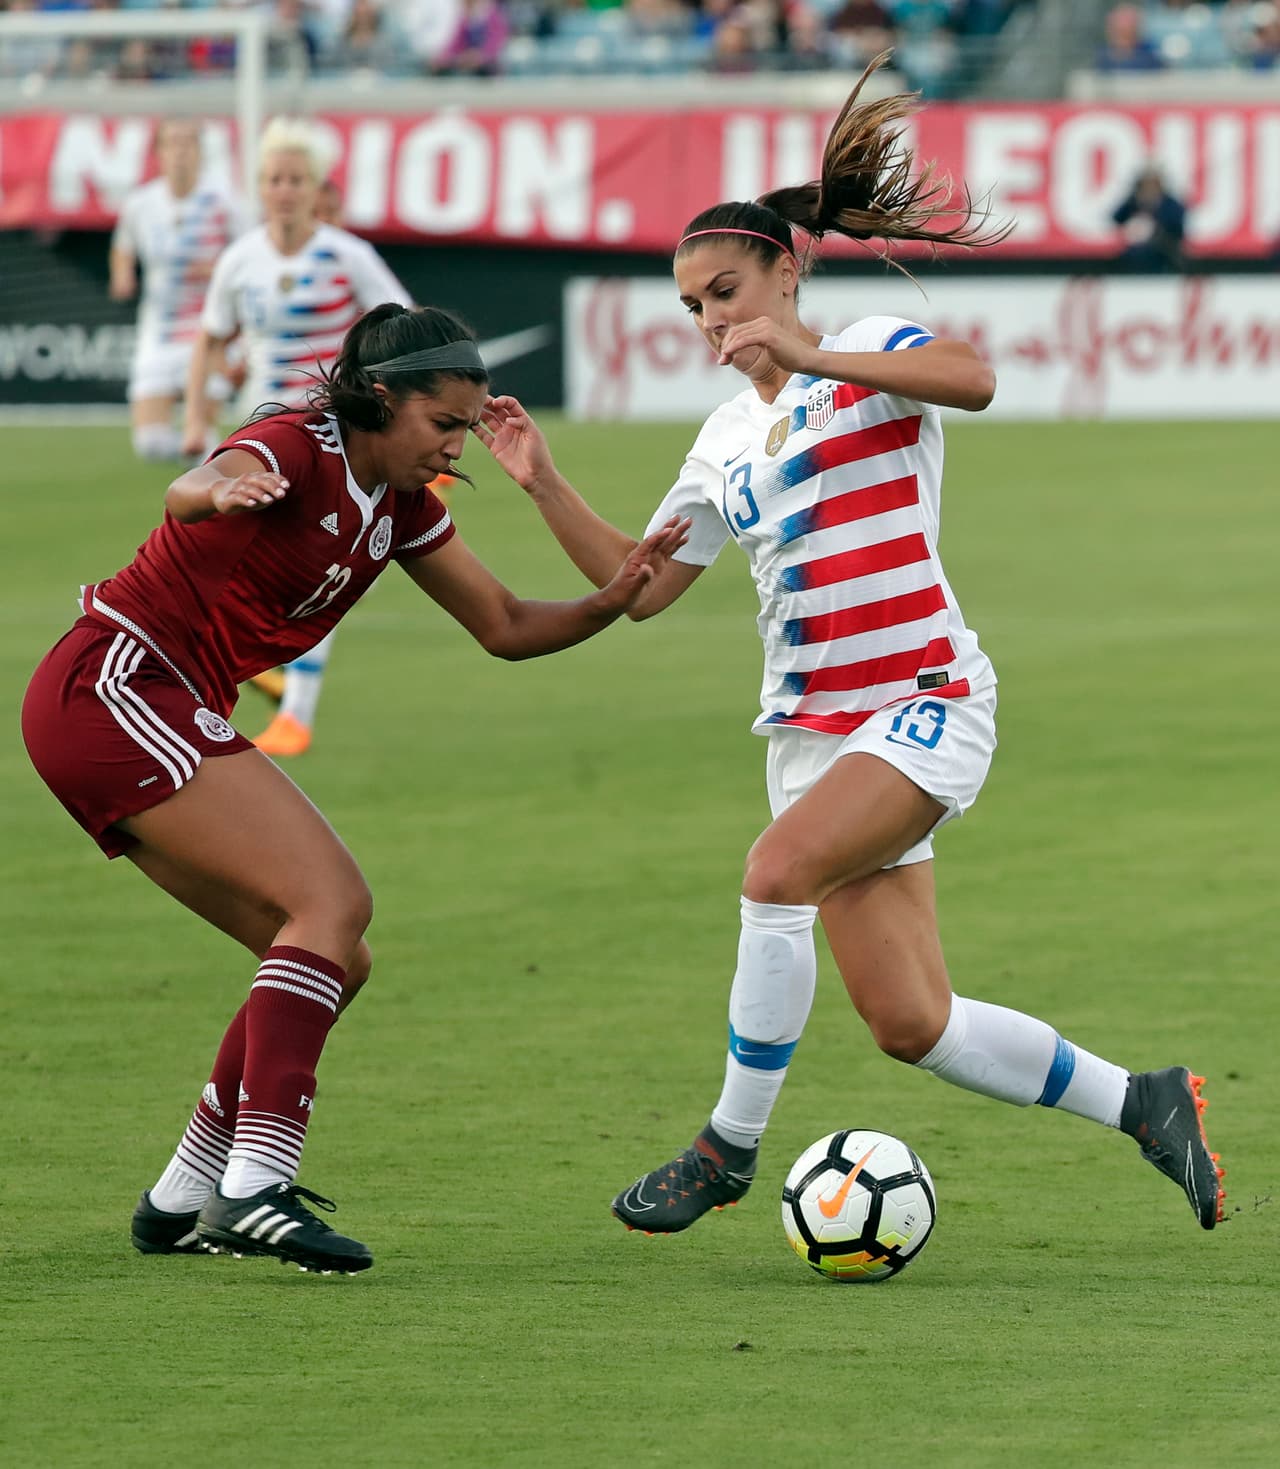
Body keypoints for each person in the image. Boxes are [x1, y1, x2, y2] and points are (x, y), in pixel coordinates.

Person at [476, 54, 1225, 1240]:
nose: (714, 322)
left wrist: (809, 354)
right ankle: (1142, 1100)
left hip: (923, 699)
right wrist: (544, 483)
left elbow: (972, 380)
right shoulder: (723, 439)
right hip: (809, 732)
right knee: (908, 1020)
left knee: (772, 875)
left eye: (726, 292)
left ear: (788, 264)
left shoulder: (868, 348)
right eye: (694, 307)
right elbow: (643, 588)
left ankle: (725, 1146)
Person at [20, 303, 688, 1276]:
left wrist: (605, 600)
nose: (456, 445)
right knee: (330, 901)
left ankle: (185, 1193)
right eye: (442, 423)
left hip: (138, 704)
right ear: (382, 398)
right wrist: (218, 487)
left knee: (330, 949)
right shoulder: (296, 444)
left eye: (465, 425)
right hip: (116, 684)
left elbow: (501, 621)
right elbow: (188, 486)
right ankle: (258, 1184)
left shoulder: (403, 503)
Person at [182, 118, 413, 760]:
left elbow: (403, 323)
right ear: (259, 188)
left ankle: (294, 710)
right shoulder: (241, 259)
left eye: (295, 179)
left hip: (329, 429)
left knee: (319, 558)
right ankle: (254, 669)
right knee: (231, 555)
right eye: (272, 179)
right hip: (260, 431)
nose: (283, 190)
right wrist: (195, 418)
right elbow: (210, 338)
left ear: (316, 188)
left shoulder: (346, 255)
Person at [109, 118, 244, 462]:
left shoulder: (223, 200)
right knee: (150, 445)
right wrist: (122, 274)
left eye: (188, 143)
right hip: (160, 331)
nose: (181, 151)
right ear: (159, 152)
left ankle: (211, 500)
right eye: (173, 143)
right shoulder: (142, 203)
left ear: (200, 152)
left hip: (209, 332)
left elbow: (250, 256)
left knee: (199, 427)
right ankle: (219, 467)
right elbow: (123, 246)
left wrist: (217, 268)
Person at [1111, 164, 1187, 273]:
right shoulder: (1132, 203)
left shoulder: (1170, 204)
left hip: (1162, 252)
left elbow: (1177, 227)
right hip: (1134, 254)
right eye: (1145, 185)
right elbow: (1116, 218)